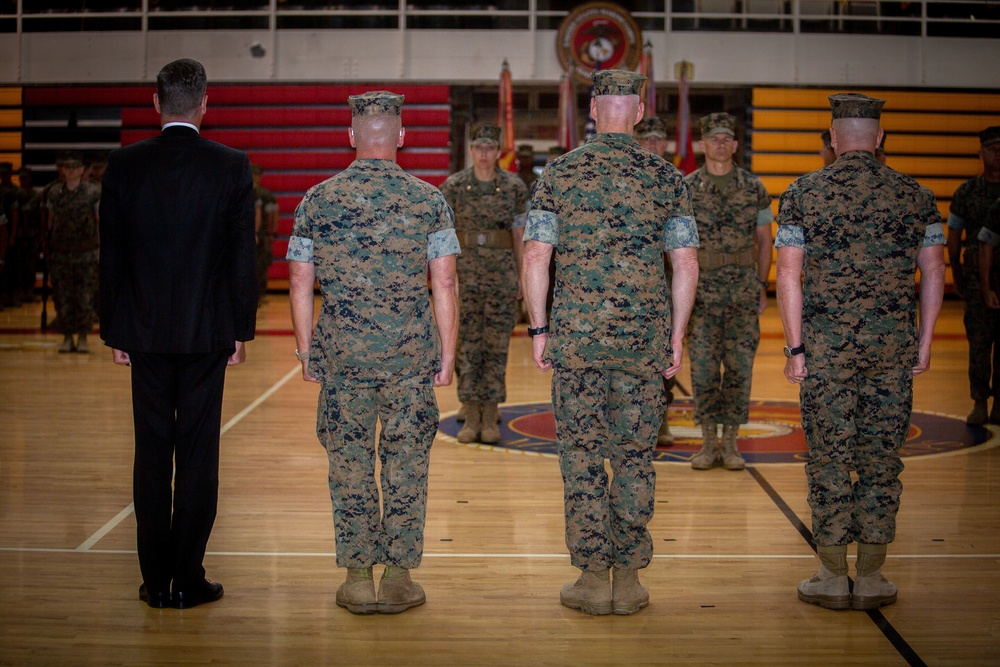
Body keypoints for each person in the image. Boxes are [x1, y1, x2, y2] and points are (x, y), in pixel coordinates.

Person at [522, 69, 699, 616]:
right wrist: (677, 335)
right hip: (643, 341)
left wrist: (538, 328)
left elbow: (535, 258)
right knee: (635, 456)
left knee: (582, 458)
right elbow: (686, 263)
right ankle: (629, 579)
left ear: (594, 109)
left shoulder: (559, 173)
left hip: (576, 340)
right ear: (640, 112)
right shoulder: (668, 178)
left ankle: (593, 578)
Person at [287, 90, 459, 616]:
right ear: (401, 137)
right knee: (406, 464)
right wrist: (447, 357)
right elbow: (445, 282)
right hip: (410, 360)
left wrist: (305, 350)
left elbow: (299, 280)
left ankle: (359, 578)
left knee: (350, 465)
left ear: (352, 136)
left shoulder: (317, 199)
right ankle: (400, 578)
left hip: (342, 358)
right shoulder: (429, 200)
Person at [776, 93, 946, 611]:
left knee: (829, 457)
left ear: (832, 139)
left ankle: (831, 574)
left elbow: (788, 273)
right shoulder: (916, 195)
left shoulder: (803, 192)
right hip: (891, 350)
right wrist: (925, 339)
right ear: (879, 139)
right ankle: (870, 577)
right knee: (880, 459)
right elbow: (934, 270)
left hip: (825, 351)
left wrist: (795, 346)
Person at [99, 58, 258, 609]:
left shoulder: (124, 166)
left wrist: (114, 328)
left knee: (151, 455)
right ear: (205, 103)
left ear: (156, 103)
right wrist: (240, 329)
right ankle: (188, 577)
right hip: (206, 333)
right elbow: (243, 259)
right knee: (196, 456)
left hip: (142, 333)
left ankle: (155, 581)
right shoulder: (231, 166)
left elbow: (111, 258)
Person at [685, 113, 773, 470]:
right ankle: (708, 443)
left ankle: (731, 443)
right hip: (702, 292)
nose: (720, 144)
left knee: (739, 368)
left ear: (735, 145)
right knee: (703, 369)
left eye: (726, 138)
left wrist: (762, 284)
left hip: (741, 290)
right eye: (714, 138)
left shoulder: (753, 188)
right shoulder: (687, 188)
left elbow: (765, 240)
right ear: (702, 145)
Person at [439, 122, 527, 444]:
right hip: (464, 277)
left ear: (498, 150)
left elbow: (519, 236)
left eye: (490, 147)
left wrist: (522, 278)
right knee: (467, 347)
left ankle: (489, 414)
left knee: (496, 347)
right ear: (471, 149)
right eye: (479, 147)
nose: (484, 154)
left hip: (501, 277)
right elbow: (444, 239)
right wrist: (445, 281)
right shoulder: (453, 187)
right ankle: (471, 411)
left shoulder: (514, 188)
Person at [947, 126, 1000, 425]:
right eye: (992, 148)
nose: (997, 154)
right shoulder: (967, 192)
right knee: (979, 341)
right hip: (976, 276)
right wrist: (955, 268)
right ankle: (979, 401)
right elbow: (954, 233)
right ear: (980, 153)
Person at [636, 116, 680, 447]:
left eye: (658, 140)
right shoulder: (631, 179)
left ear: (665, 144)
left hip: (670, 280)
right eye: (646, 139)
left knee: (667, 355)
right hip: (637, 283)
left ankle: (661, 419)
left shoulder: (675, 183)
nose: (653, 145)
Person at [44, 152, 101, 353]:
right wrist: (46, 249)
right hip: (60, 253)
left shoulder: (93, 192)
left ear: (81, 169)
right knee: (62, 296)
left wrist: (99, 248)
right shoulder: (54, 192)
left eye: (75, 167)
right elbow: (49, 224)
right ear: (62, 170)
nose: (71, 170)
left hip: (85, 252)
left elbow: (98, 221)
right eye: (67, 167)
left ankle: (83, 337)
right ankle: (67, 337)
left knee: (85, 296)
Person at [251, 163, 279, 306]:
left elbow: (272, 215)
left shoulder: (263, 194)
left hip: (260, 234)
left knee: (261, 264)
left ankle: (259, 295)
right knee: (259, 265)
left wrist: (271, 232)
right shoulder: (258, 193)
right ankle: (257, 295)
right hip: (258, 234)